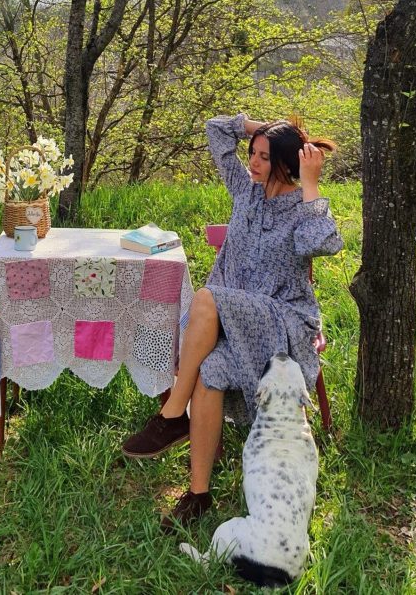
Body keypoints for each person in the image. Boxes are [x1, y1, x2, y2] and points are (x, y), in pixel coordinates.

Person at [121, 113, 343, 532]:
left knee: (207, 296)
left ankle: (172, 414)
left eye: (264, 157)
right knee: (209, 371)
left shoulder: (301, 209)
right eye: (252, 154)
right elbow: (215, 128)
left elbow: (325, 242)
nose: (253, 163)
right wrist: (264, 128)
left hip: (282, 322)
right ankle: (198, 494)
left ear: (286, 164)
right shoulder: (246, 192)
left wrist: (311, 180)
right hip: (234, 320)